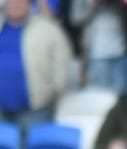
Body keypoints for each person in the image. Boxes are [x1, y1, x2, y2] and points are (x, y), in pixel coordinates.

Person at [0, 0, 73, 130]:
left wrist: (53, 92)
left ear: (29, 4)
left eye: (20, 2)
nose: (15, 5)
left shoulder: (47, 28)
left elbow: (62, 61)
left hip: (35, 111)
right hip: (2, 111)